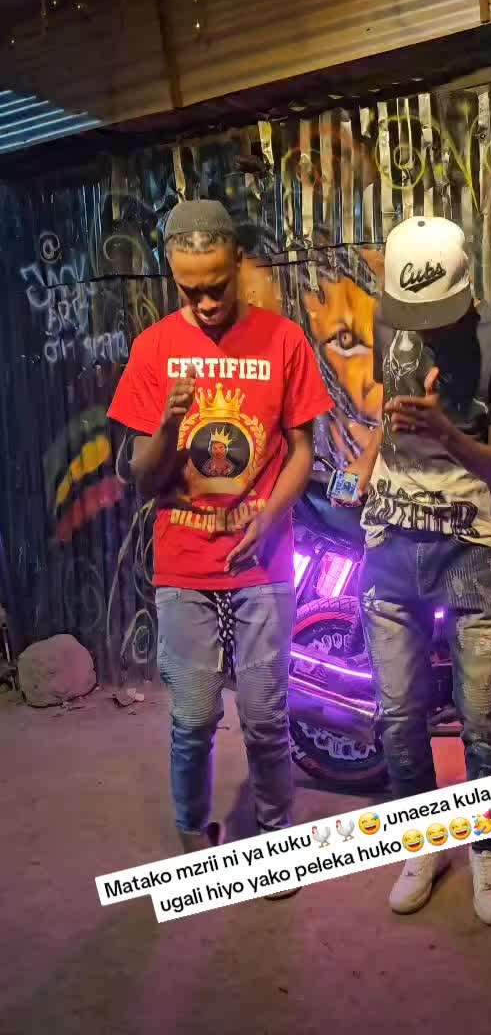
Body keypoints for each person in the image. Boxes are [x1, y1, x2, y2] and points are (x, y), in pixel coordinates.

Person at [107, 200, 333, 882]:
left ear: (238, 263)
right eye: (189, 290)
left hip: (263, 561)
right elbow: (143, 478)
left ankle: (274, 838)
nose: (204, 303)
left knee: (265, 717)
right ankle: (191, 828)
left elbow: (303, 451)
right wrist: (168, 426)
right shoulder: (154, 350)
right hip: (184, 562)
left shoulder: (283, 341)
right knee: (195, 716)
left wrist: (271, 516)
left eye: (216, 286)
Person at [350, 215, 491, 923]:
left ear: (465, 290)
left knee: (484, 715)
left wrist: (444, 430)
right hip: (391, 542)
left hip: (472, 548)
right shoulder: (389, 321)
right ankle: (423, 842)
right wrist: (365, 465)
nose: (420, 330)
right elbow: (388, 418)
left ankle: (486, 848)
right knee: (400, 713)